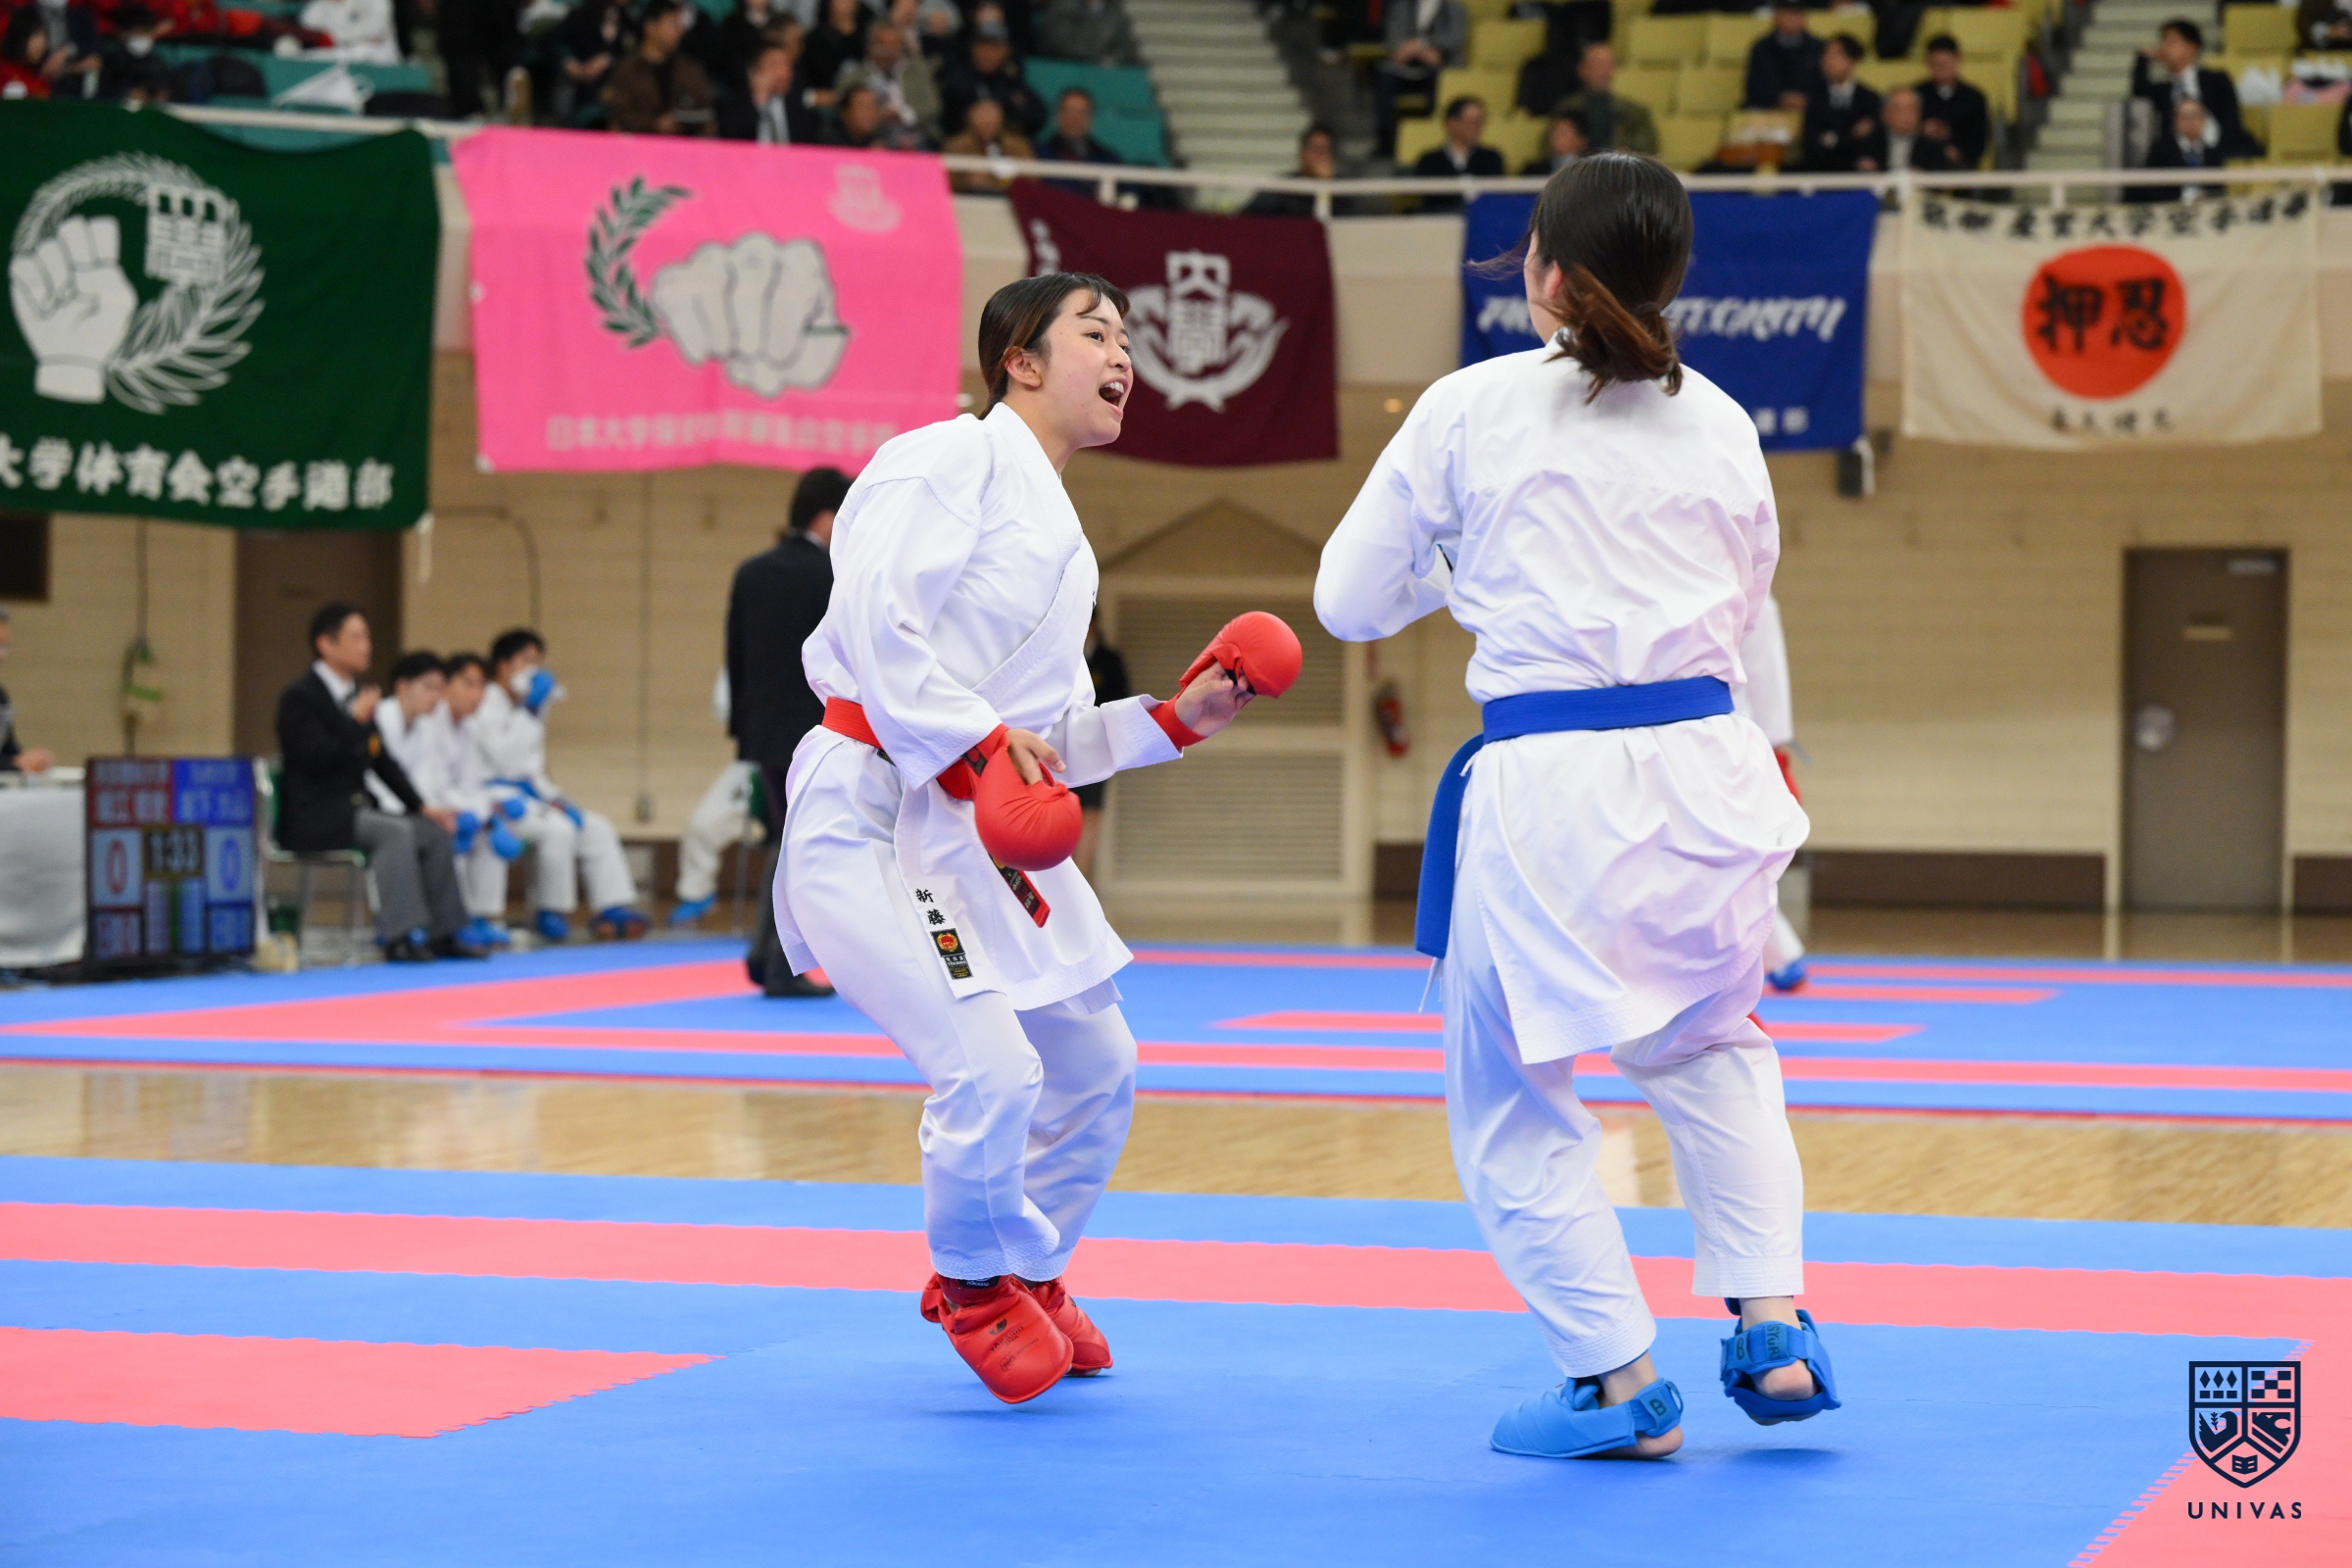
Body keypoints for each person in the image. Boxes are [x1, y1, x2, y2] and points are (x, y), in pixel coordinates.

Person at [1314, 153, 1834, 1462]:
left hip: (1554, 782)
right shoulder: (1725, 420)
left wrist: (1457, 571)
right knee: (1714, 1049)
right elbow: (1746, 594)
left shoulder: (1472, 406)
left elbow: (1347, 603)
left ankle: (1616, 1382)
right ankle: (1773, 1325)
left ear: (1540, 271)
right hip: (1706, 767)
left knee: (1511, 1093)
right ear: (1674, 278)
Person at [774, 272, 1265, 1405]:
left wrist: (1173, 721)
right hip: (871, 809)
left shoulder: (1067, 541)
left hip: (966, 826)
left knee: (1099, 1067)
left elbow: (1047, 742)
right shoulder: (947, 457)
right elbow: (876, 624)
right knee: (989, 1066)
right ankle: (970, 1278)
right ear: (1021, 361)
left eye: (1128, 337)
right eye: (1096, 331)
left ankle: (1032, 1272)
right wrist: (982, 735)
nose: (1123, 354)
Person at [275, 606, 485, 963]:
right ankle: (400, 935)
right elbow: (313, 759)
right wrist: (354, 722)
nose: (367, 646)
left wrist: (422, 806)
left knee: (432, 831)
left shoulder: (359, 695)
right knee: (394, 832)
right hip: (315, 814)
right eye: (356, 637)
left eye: (368, 637)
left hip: (355, 810)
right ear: (326, 644)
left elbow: (382, 761)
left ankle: (444, 932)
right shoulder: (300, 698)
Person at [729, 465, 850, 997]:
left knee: (787, 839)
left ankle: (765, 955)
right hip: (814, 731)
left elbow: (735, 661)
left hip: (762, 733)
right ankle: (781, 964)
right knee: (800, 845)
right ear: (826, 517)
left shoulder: (751, 572)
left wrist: (743, 733)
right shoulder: (832, 575)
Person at [474, 627, 652, 943]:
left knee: (597, 827)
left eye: (537, 661)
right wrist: (530, 711)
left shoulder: (528, 707)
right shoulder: (486, 703)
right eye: (526, 660)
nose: (534, 669)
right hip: (499, 798)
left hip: (532, 796)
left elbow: (533, 769)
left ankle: (612, 907)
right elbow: (506, 762)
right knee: (558, 830)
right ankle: (551, 910)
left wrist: (558, 799)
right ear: (502, 665)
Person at [1735, 595, 1808, 993]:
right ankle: (1779, 953)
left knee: (1738, 862)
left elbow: (1765, 674)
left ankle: (1778, 954)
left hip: (1731, 738)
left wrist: (1777, 750)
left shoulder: (1752, 594)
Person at [670, 672, 760, 930]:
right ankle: (698, 894)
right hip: (754, 759)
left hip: (815, 755)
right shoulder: (746, 654)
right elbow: (725, 707)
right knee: (702, 825)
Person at [2130, 19, 2244, 156]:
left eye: (2172, 42)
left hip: (2219, 152)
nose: (2165, 48)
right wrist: (2143, 58)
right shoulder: (2164, 89)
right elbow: (2139, 93)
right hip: (2177, 159)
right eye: (2163, 42)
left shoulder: (2216, 80)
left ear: (2192, 47)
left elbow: (2231, 121)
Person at [605, 0, 716, 135]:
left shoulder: (690, 71)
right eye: (672, 24)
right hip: (639, 143)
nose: (679, 30)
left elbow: (706, 114)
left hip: (684, 144)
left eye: (680, 25)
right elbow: (620, 116)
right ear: (650, 27)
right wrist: (655, 124)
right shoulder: (627, 69)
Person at [1073, 611, 1129, 879]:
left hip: (1097, 747)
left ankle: (1082, 875)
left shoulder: (1110, 660)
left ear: (1094, 624)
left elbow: (1121, 701)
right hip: (1064, 747)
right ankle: (1062, 878)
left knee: (1091, 811)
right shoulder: (1066, 657)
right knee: (1061, 809)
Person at [1377, 0, 1466, 157]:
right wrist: (1417, 49)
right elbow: (1392, 37)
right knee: (1383, 76)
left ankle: (1432, 137)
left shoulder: (1455, 8)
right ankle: (1386, 141)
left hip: (1438, 67)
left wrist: (1421, 44)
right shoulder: (1400, 7)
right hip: (1404, 67)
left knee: (1439, 78)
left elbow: (1455, 38)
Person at [937, 13, 1045, 137]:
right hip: (965, 138)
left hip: (1004, 139)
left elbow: (1038, 116)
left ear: (1006, 51)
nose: (986, 53)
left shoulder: (1010, 80)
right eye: (982, 46)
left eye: (994, 48)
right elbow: (945, 115)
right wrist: (972, 114)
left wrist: (1003, 112)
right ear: (973, 48)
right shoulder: (957, 77)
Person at [834, 21, 940, 145]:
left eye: (894, 44)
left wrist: (902, 114)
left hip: (917, 133)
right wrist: (876, 114)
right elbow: (842, 104)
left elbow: (932, 106)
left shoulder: (917, 71)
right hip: (870, 135)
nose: (889, 50)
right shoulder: (855, 73)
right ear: (871, 45)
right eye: (883, 44)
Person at [1547, 42, 1657, 158]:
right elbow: (1549, 149)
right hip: (1578, 166)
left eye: (1607, 65)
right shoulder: (1565, 109)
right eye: (1596, 65)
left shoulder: (1636, 114)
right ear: (1582, 69)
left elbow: (1647, 153)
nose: (1602, 71)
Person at [1798, 34, 1884, 173]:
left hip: (1859, 176)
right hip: (1822, 174)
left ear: (1852, 60)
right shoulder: (1815, 97)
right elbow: (1812, 144)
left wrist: (1834, 140)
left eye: (1835, 55)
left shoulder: (1869, 99)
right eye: (1826, 54)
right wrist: (1852, 135)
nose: (1828, 60)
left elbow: (1870, 143)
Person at [1411, 95, 1505, 213]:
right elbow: (1431, 200)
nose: (1478, 127)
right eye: (1473, 121)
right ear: (1452, 123)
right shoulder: (1429, 161)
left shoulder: (1491, 158)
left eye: (1481, 121)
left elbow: (1495, 198)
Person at [2132, 97, 2233, 202]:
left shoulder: (2213, 153)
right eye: (2186, 117)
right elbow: (2151, 187)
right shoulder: (2161, 150)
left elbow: (2218, 190)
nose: (2192, 122)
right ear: (2176, 121)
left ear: (2204, 120)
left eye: (2196, 116)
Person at [1915, 35, 1988, 172]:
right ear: (1928, 63)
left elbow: (1979, 141)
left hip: (1962, 168)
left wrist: (1958, 152)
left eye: (1946, 64)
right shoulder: (1917, 94)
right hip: (1922, 167)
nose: (1941, 69)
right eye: (1936, 64)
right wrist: (1923, 129)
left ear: (1958, 60)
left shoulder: (1974, 98)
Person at [720, 40, 817, 141]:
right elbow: (732, 139)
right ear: (754, 72)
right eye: (775, 65)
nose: (784, 72)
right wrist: (759, 103)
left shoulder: (801, 108)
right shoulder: (732, 106)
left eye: (787, 65)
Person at [0, 608, 54, 775]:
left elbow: (8, 751)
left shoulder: (1, 696)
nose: (2, 656)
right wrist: (15, 764)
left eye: (5, 646)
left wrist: (31, 759)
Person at [943, 96, 1037, 190]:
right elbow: (945, 181)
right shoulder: (957, 146)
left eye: (991, 119)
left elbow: (1032, 179)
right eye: (982, 118)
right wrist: (967, 181)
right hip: (967, 196)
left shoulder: (1017, 145)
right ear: (970, 119)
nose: (987, 122)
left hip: (1010, 195)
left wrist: (1007, 180)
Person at [1036, 84, 1123, 184]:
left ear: (1091, 118)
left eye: (1081, 112)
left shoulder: (1108, 159)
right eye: (1069, 111)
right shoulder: (1037, 155)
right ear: (1058, 115)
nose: (1075, 119)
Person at [1744, 2, 1825, 112]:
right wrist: (1780, 98)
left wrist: (1806, 100)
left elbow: (1826, 84)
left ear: (1804, 17)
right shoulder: (1762, 48)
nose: (1791, 19)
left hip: (1809, 108)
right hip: (1768, 108)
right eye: (1786, 13)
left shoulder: (1818, 47)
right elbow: (1754, 86)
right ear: (1776, 16)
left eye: (1796, 14)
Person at [97, 4, 173, 103]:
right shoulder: (109, 61)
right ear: (122, 33)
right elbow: (103, 92)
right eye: (137, 32)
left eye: (145, 32)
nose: (142, 37)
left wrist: (159, 95)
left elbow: (165, 89)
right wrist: (125, 94)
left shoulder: (157, 63)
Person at [799, 0, 866, 109]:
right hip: (823, 104)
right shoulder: (814, 40)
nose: (845, 3)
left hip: (859, 101)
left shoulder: (867, 36)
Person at [1033, 0, 1140, 66]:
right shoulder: (1063, 6)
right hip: (1065, 67)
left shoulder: (1115, 11)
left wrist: (1112, 59)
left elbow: (1126, 45)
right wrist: (1096, 58)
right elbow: (1059, 41)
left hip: (1102, 71)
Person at [0, 9, 52, 98]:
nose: (42, 42)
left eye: (44, 36)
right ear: (18, 37)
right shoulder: (3, 75)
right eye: (36, 34)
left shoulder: (43, 81)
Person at [1523, 104, 1589, 174]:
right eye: (1554, 130)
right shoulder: (1533, 170)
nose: (1556, 136)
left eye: (1563, 131)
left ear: (1581, 139)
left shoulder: (1589, 171)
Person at [825, 80, 890, 146]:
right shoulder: (826, 140)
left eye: (873, 105)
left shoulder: (881, 138)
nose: (869, 111)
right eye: (862, 105)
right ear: (845, 111)